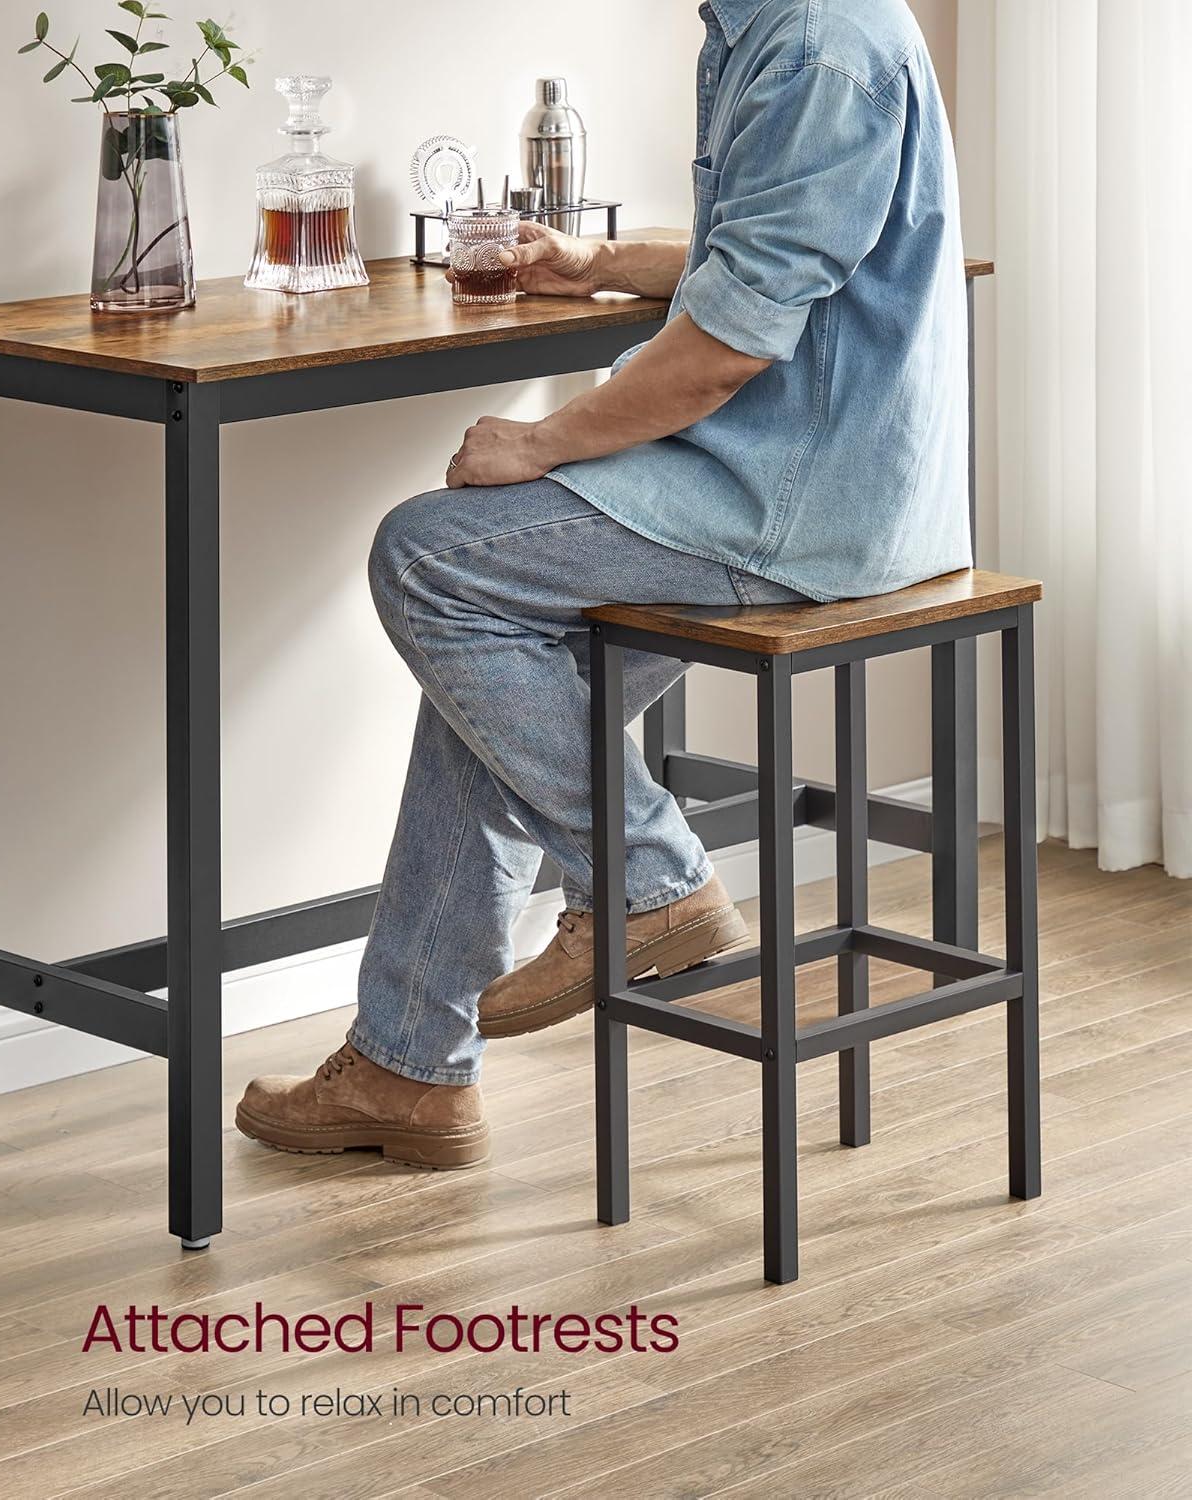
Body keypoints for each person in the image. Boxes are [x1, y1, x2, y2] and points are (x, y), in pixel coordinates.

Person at [236, 0, 969, 1170]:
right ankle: (406, 1067)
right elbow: (765, 260)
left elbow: (727, 352)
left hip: (798, 501)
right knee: (496, 671)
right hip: (795, 476)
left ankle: (652, 878)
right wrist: (600, 263)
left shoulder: (821, 46)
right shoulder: (774, 26)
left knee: (429, 555)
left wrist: (537, 444)